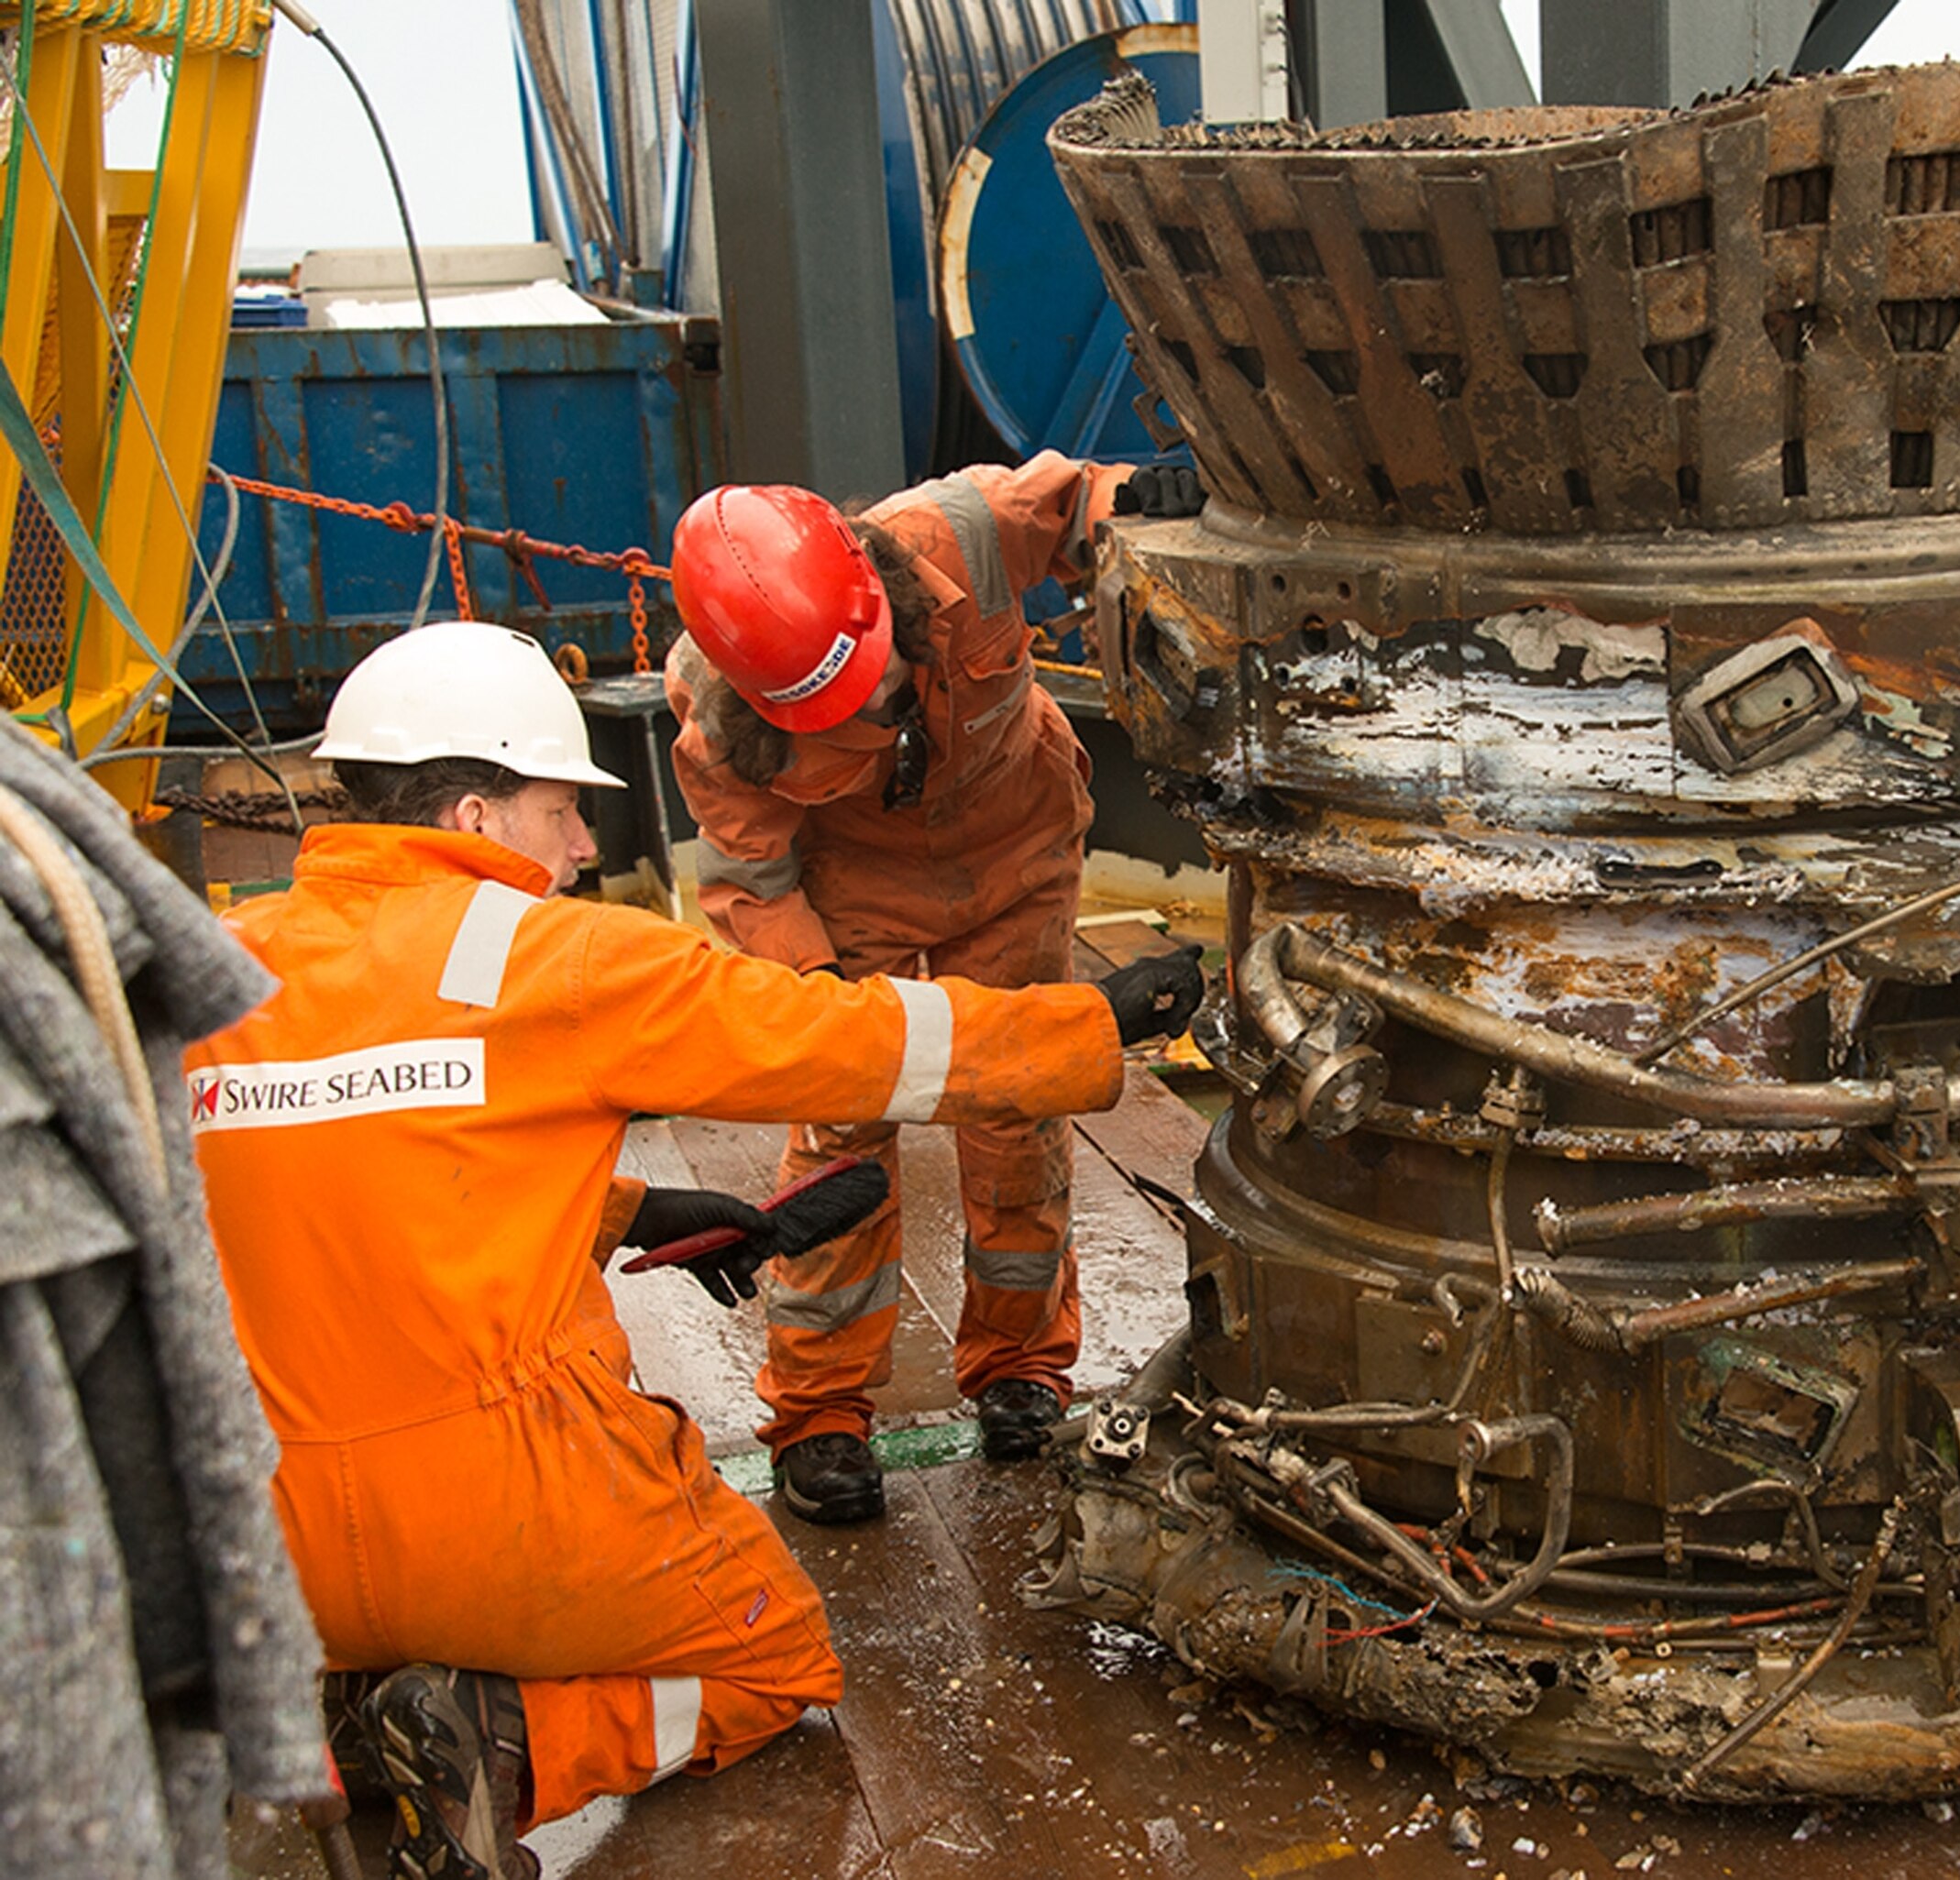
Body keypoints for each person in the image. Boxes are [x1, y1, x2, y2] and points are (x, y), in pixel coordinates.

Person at [183, 621, 1202, 1878]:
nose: (581, 844)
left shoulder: (219, 967)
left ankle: (344, 1735)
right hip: (508, 1500)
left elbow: (342, 1147)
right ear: (473, 810)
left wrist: (616, 1207)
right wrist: (1084, 1023)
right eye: (561, 808)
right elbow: (841, 1041)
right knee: (772, 1661)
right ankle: (507, 1740)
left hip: (267, 1531)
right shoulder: (551, 956)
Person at [664, 451, 1203, 1513]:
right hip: (855, 889)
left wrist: (1131, 502)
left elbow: (1071, 499)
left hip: (1017, 856)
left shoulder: (958, 535)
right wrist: (833, 1024)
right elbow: (754, 879)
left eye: (879, 690)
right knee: (839, 1135)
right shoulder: (714, 711)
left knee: (1020, 1120)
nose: (877, 715)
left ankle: (1020, 1370)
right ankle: (818, 1414)